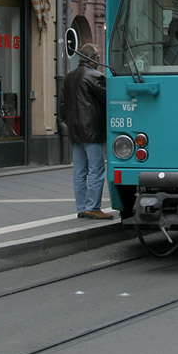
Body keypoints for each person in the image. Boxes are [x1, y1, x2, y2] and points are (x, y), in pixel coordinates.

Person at [61, 42, 113, 220]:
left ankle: (82, 207)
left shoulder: (69, 77)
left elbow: (62, 105)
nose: (99, 61)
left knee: (80, 171)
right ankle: (93, 207)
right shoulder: (95, 76)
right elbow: (109, 99)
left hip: (74, 130)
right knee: (96, 170)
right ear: (91, 59)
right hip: (92, 129)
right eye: (97, 58)